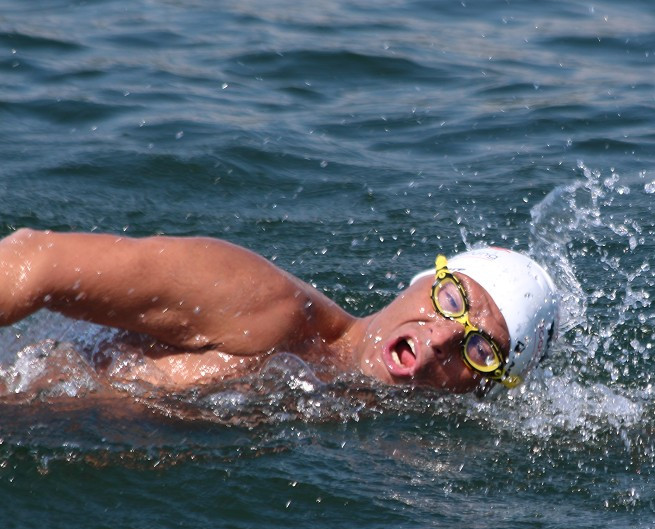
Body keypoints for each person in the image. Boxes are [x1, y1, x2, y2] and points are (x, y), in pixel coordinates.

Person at [0, 228, 560, 398]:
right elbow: (37, 262)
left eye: (481, 350)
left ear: (483, 389)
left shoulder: (358, 423)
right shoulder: (266, 306)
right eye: (452, 299)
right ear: (421, 283)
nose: (441, 339)